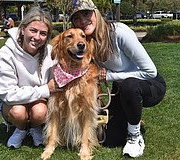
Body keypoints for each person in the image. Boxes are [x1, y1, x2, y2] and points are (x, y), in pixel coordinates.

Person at [69, 0, 166, 158]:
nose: (82, 21)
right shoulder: (87, 42)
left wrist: (109, 75)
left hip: (151, 85)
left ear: (96, 13)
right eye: (77, 18)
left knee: (129, 86)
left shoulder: (118, 32)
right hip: (122, 89)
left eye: (86, 14)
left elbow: (150, 71)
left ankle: (135, 136)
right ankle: (133, 118)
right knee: (111, 140)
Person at [0, 7, 58, 149]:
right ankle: (20, 129)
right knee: (18, 112)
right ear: (23, 29)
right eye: (33, 30)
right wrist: (45, 89)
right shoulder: (6, 53)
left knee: (40, 111)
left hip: (38, 102)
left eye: (43, 33)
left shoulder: (50, 52)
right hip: (13, 104)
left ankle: (35, 127)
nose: (37, 37)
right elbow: (8, 94)